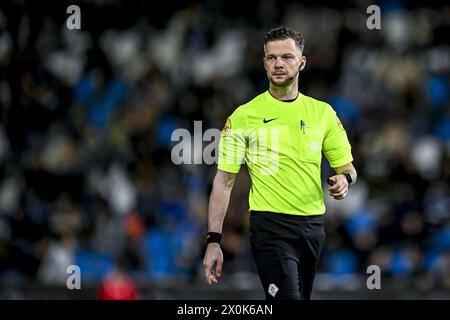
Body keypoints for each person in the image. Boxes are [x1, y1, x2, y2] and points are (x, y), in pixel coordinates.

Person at [203, 26, 357, 300]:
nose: (278, 64)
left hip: (313, 226)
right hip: (269, 226)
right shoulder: (244, 116)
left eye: (286, 57)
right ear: (264, 63)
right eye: (271, 58)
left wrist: (345, 180)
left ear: (302, 62)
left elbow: (346, 168)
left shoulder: (322, 114)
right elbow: (224, 181)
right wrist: (214, 241)